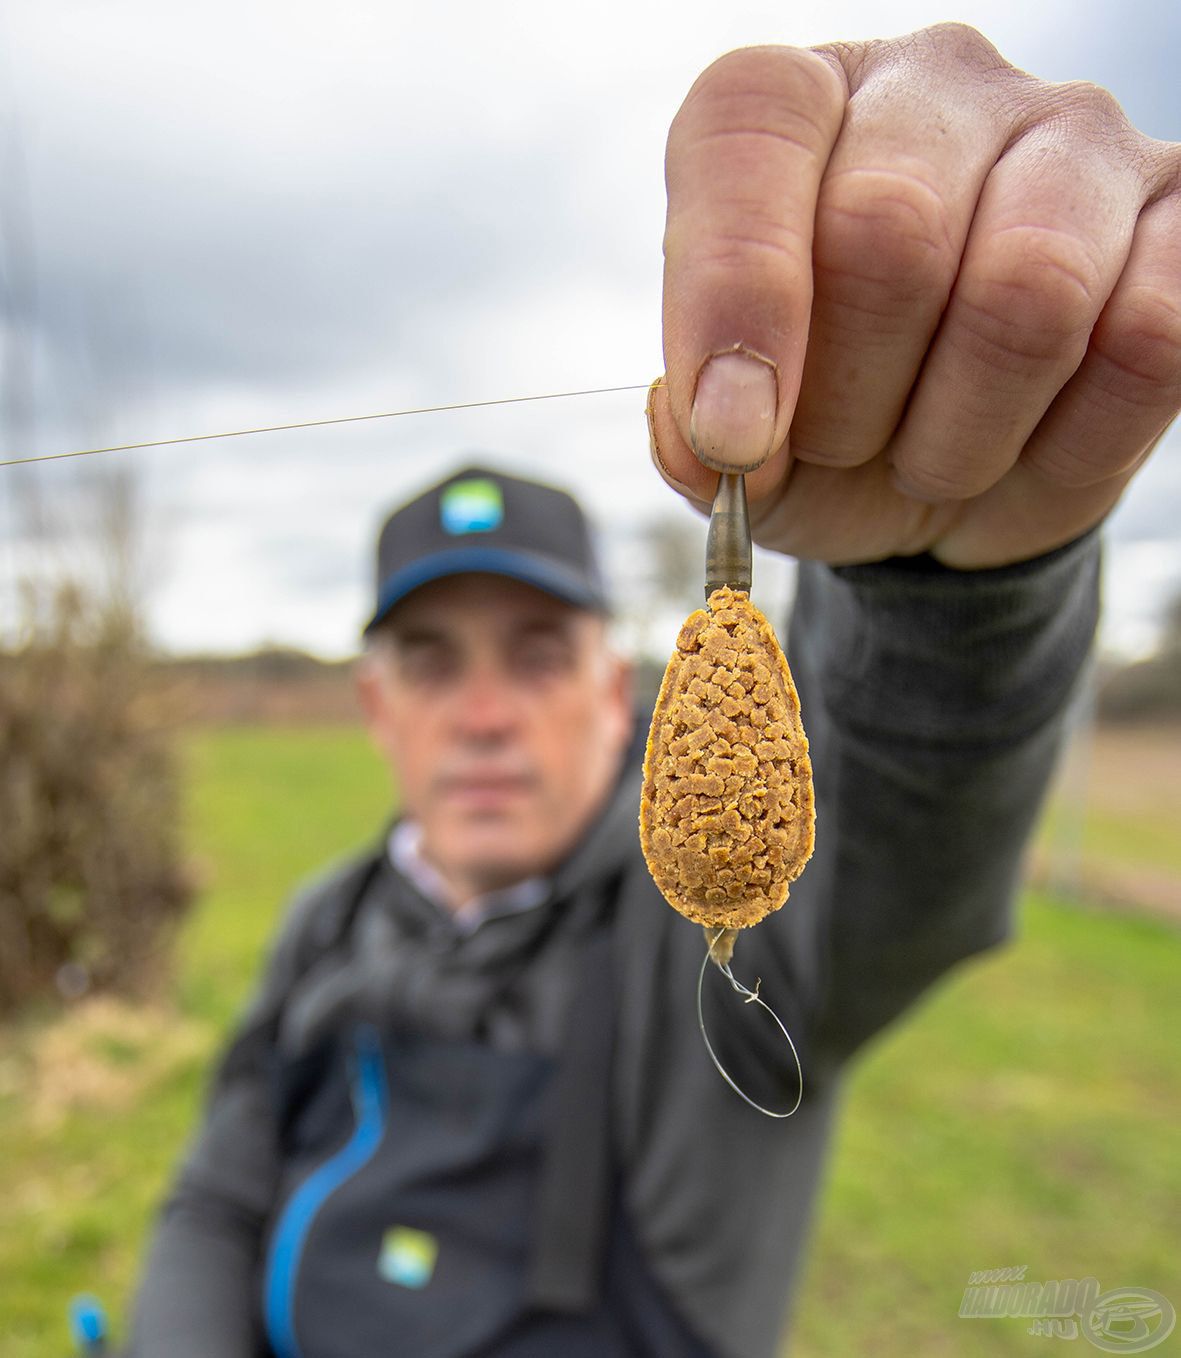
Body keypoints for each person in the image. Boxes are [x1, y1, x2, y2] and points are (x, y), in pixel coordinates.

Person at [128, 23, 1179, 1358]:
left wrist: (948, 582)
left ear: (621, 692)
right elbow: (216, 1192)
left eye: (535, 650)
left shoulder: (721, 942)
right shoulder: (323, 922)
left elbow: (916, 832)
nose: (486, 710)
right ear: (375, 707)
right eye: (431, 661)